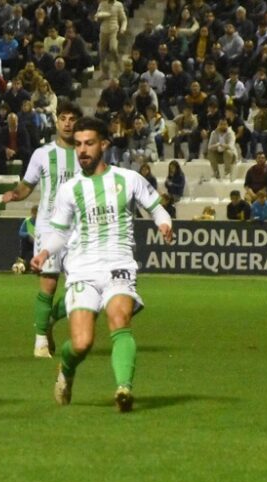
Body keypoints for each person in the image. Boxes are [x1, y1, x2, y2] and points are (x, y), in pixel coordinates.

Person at [30, 116, 173, 411]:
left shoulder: (128, 179)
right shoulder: (69, 189)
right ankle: (66, 369)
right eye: (78, 144)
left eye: (89, 144)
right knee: (81, 344)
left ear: (104, 145)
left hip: (119, 264)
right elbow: (59, 233)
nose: (82, 150)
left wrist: (164, 224)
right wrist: (44, 253)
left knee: (120, 319)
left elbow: (157, 208)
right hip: (82, 269)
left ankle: (123, 389)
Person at [1, 100, 83, 358]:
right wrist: (15, 194)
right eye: (64, 118)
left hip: (79, 229)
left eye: (73, 119)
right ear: (57, 122)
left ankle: (47, 321)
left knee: (81, 290)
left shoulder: (86, 153)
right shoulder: (42, 154)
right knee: (48, 284)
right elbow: (27, 185)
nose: (68, 123)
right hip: (49, 229)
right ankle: (40, 343)